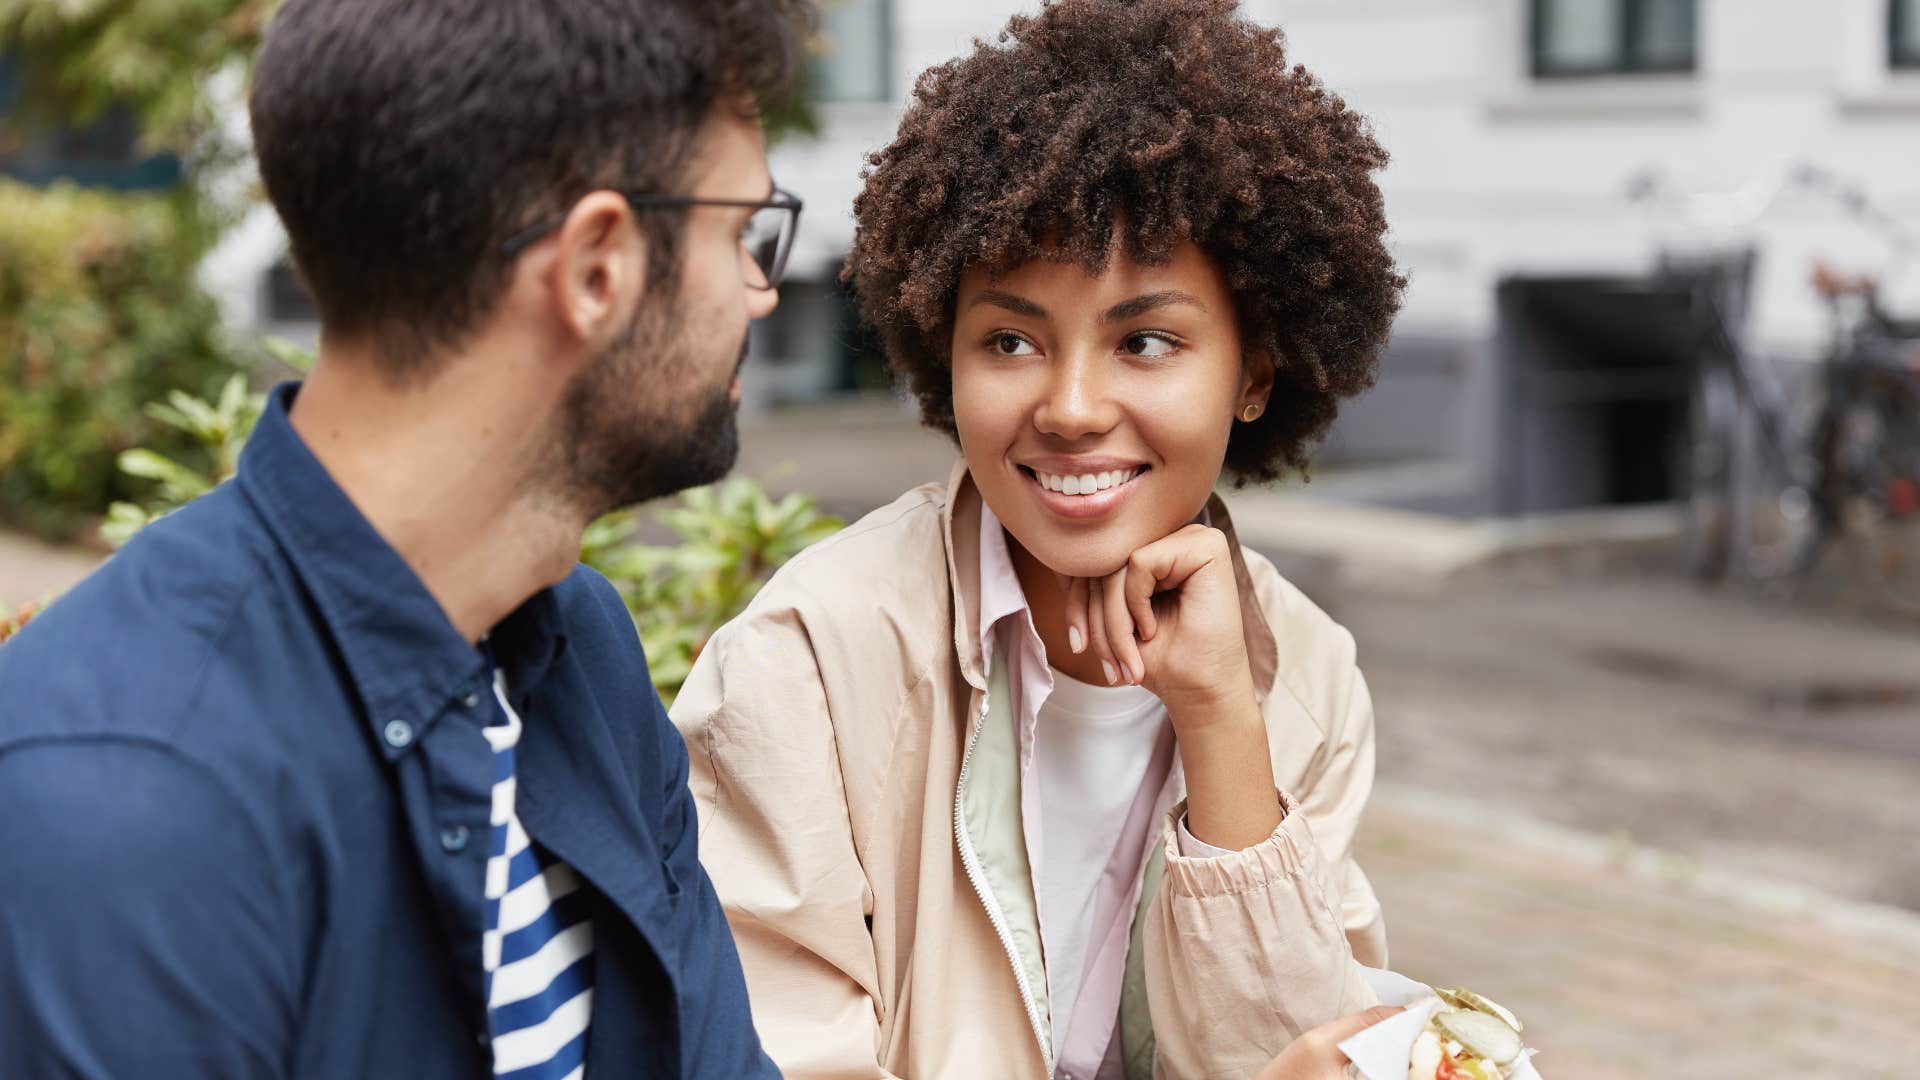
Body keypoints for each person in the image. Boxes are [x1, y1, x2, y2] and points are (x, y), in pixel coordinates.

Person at [0, 0, 811, 1075]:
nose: (761, 291)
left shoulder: (583, 650)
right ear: (596, 267)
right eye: (740, 232)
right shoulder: (125, 795)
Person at [669, 1, 1406, 1077]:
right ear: (944, 350)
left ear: (1253, 373)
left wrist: (1220, 719)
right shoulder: (812, 661)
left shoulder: (1311, 677)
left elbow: (1307, 1047)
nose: (1069, 409)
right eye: (1011, 340)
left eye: (1145, 341)